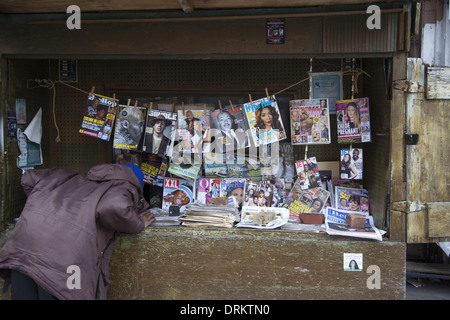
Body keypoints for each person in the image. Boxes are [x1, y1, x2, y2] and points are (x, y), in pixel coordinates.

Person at [0, 163, 155, 300]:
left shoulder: (65, 176)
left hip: (22, 252)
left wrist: (46, 207)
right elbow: (114, 207)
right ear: (136, 184)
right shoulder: (123, 186)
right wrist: (138, 222)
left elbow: (27, 179)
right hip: (60, 266)